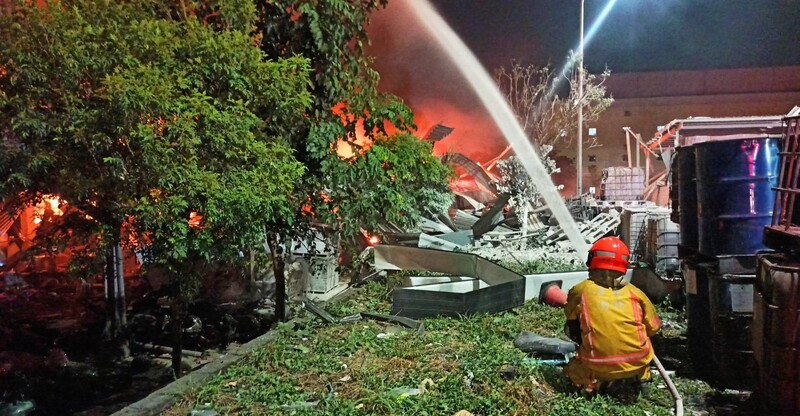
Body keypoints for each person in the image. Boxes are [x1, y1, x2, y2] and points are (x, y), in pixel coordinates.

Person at [563, 236, 661, 396]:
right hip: (638, 363)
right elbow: (654, 328)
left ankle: (587, 383)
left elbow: (570, 320)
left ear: (593, 261)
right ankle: (642, 378)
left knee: (574, 365)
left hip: (598, 365)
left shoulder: (581, 291)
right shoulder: (636, 293)